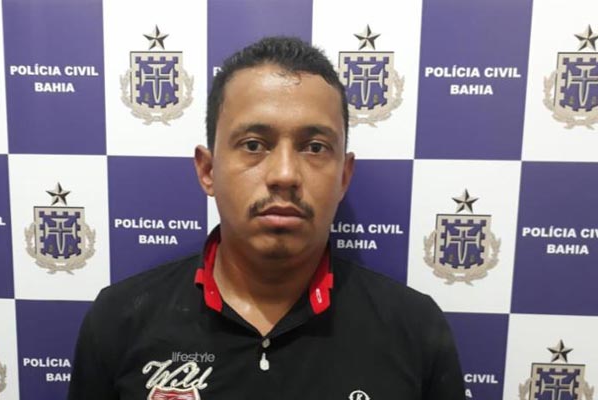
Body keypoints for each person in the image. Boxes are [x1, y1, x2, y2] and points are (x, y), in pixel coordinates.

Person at [68, 36, 465, 400]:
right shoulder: (120, 320)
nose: (285, 175)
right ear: (208, 170)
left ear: (344, 177)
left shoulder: (415, 329)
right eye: (254, 144)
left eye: (314, 147)